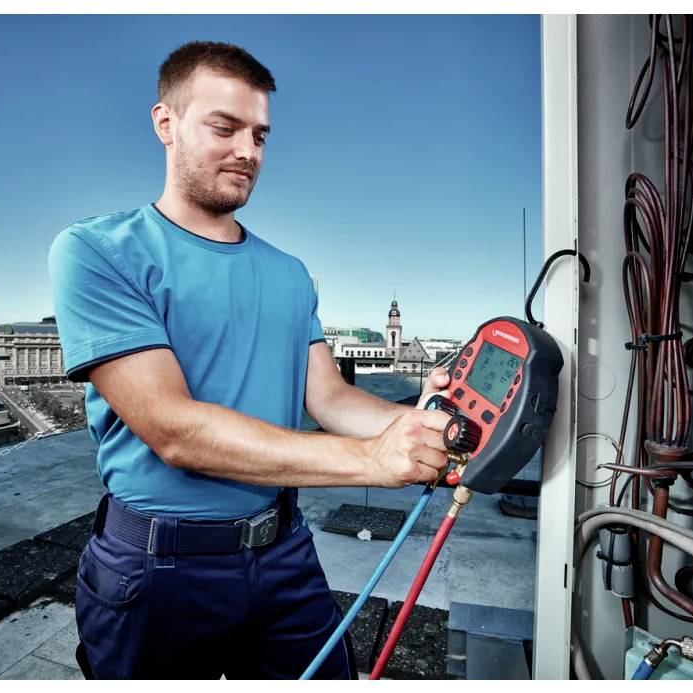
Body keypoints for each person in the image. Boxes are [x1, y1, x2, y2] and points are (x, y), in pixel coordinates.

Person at [48, 40, 452, 680]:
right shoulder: (97, 251)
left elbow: (330, 398)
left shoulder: (291, 275)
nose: (248, 151)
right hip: (158, 569)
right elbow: (175, 431)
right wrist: (371, 460)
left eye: (260, 135)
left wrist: (424, 422)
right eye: (225, 127)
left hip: (285, 552)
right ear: (165, 123)